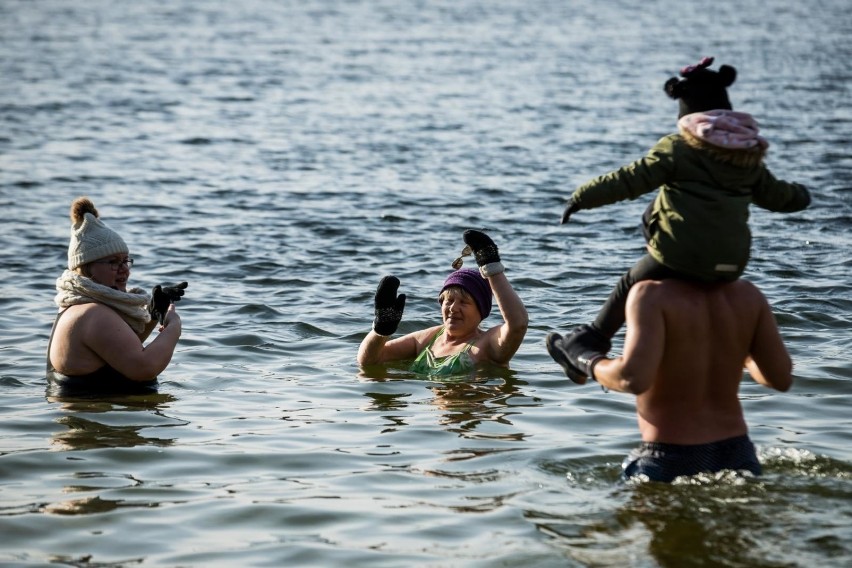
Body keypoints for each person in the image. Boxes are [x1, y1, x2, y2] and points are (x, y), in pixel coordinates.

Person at [552, 57, 811, 358]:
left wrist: (580, 197)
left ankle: (590, 342)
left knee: (630, 280)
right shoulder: (748, 157)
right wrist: (803, 195)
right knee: (658, 205)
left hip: (680, 256)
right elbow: (779, 197)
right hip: (732, 262)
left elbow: (629, 180)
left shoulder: (679, 149)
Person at [547, 277, 793, 483]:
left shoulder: (651, 294)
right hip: (738, 452)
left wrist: (585, 359)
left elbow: (632, 378)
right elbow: (780, 378)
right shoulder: (747, 294)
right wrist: (739, 349)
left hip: (670, 456)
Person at [47, 197, 187, 392]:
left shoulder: (77, 307)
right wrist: (175, 326)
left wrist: (154, 315)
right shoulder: (93, 314)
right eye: (113, 262)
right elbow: (144, 367)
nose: (124, 270)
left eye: (125, 261)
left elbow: (118, 350)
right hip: (101, 418)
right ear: (87, 269)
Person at [357, 230, 528, 376]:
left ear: (481, 310)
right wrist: (380, 329)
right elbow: (369, 361)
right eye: (449, 300)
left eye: (464, 302)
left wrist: (491, 266)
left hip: (471, 413)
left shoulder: (486, 345)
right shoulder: (428, 339)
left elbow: (517, 324)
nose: (453, 308)